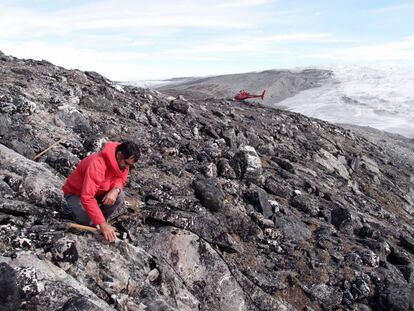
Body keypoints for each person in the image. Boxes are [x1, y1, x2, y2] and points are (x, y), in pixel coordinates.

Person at [63, 141, 140, 242]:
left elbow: (121, 178)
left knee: (119, 196)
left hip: (98, 192)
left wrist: (115, 190)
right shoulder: (97, 164)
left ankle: (100, 221)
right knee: (87, 221)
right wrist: (102, 224)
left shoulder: (123, 164)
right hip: (76, 193)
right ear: (119, 155)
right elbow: (87, 197)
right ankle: (101, 223)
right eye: (126, 163)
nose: (127, 168)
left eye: (130, 166)